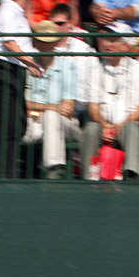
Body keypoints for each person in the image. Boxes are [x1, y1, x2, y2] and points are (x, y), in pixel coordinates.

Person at [0, 0, 46, 178]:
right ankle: (4, 173)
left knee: (17, 122)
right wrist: (31, 63)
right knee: (10, 123)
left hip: (14, 70)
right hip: (4, 69)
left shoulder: (16, 12)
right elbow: (10, 43)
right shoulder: (8, 9)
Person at [80, 24, 139, 179]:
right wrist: (104, 124)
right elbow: (93, 108)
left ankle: (132, 176)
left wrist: (121, 125)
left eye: (113, 40)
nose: (107, 44)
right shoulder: (95, 68)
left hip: (130, 120)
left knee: (132, 129)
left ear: (125, 45)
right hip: (103, 121)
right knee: (90, 129)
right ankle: (88, 177)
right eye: (105, 40)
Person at [23, 21, 82, 179]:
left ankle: (53, 169)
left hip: (62, 123)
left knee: (51, 117)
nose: (45, 46)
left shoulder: (68, 68)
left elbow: (68, 109)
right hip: (33, 119)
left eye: (49, 42)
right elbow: (24, 105)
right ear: (35, 43)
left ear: (56, 43)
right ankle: (51, 167)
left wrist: (40, 110)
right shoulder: (28, 65)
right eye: (41, 41)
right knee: (48, 116)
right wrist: (52, 107)